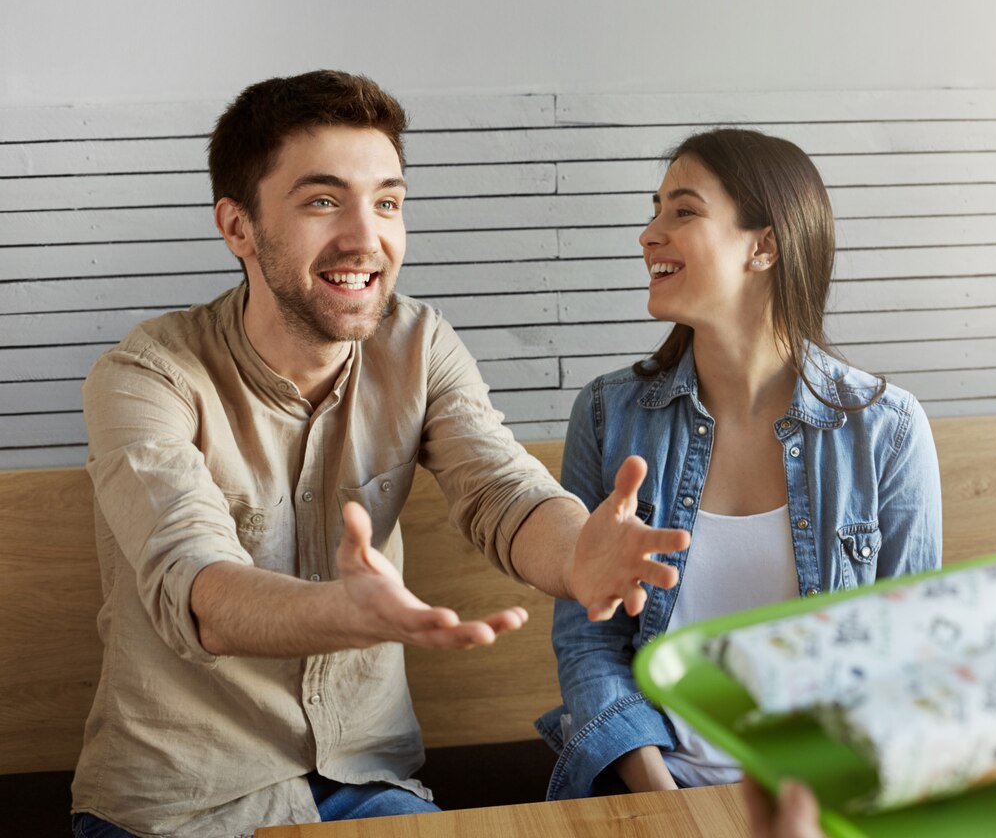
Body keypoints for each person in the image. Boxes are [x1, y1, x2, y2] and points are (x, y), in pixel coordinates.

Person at [69, 70, 690, 838]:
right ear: (237, 227)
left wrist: (576, 554)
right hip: (181, 804)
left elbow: (501, 489)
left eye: (388, 202)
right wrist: (343, 613)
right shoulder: (143, 377)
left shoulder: (419, 344)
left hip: (366, 786)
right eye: (323, 201)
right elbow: (194, 584)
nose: (369, 239)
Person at [536, 128, 942, 799]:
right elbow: (589, 643)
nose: (649, 233)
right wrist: (664, 800)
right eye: (655, 209)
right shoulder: (608, 415)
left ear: (765, 245)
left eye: (683, 211)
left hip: (826, 798)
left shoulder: (887, 429)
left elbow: (909, 654)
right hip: (650, 790)